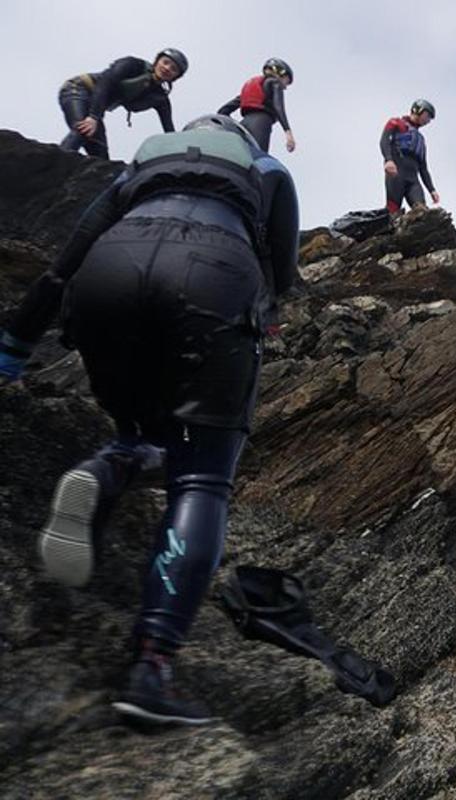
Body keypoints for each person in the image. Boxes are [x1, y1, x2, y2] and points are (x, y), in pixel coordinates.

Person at [0, 114, 299, 725]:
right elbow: (283, 271)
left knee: (140, 431)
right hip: (214, 273)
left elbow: (69, 256)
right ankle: (151, 666)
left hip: (108, 272)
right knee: (202, 478)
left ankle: (108, 470)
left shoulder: (145, 161)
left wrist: (14, 347)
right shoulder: (264, 168)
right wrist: (260, 312)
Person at [58, 48, 188, 159]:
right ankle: (54, 162)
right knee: (84, 130)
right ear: (157, 60)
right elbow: (105, 84)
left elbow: (169, 131)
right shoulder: (133, 64)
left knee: (100, 156)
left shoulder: (160, 98)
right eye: (165, 62)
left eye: (173, 69)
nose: (167, 68)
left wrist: (182, 152)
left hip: (95, 109)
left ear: (175, 77)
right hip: (78, 89)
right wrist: (93, 117)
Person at [217, 58, 296, 153]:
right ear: (279, 72)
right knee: (258, 157)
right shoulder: (275, 83)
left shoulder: (254, 86)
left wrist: (233, 128)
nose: (285, 87)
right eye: (286, 81)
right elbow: (279, 107)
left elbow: (222, 111)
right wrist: (288, 133)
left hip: (243, 125)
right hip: (261, 123)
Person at [380, 98, 440, 218]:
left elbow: (423, 167)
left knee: (422, 211)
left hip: (413, 180)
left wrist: (432, 189)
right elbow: (384, 141)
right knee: (393, 211)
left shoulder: (421, 140)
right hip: (396, 174)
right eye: (427, 116)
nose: (428, 121)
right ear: (418, 110)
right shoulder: (396, 123)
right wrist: (388, 160)